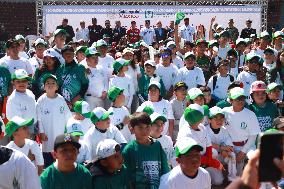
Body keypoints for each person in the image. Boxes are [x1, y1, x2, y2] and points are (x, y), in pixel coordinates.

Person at [177, 104, 223, 184]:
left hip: (203, 160)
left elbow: (208, 145)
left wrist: (209, 161)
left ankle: (205, 173)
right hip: (189, 163)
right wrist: (214, 163)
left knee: (218, 181)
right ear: (200, 118)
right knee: (198, 182)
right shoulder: (186, 133)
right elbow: (191, 156)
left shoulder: (202, 127)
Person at [122, 112, 170, 189]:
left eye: (147, 126)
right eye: (140, 127)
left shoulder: (157, 145)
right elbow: (127, 178)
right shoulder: (129, 150)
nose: (144, 131)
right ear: (132, 129)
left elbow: (165, 170)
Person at [223, 87, 261, 175]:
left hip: (247, 146)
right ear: (231, 100)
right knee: (233, 175)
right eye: (237, 99)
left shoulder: (250, 114)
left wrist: (243, 151)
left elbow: (253, 136)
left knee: (255, 159)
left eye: (242, 98)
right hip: (230, 147)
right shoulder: (224, 112)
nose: (241, 101)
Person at [37, 74, 71, 167]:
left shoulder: (61, 99)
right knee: (48, 163)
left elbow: (68, 117)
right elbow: (39, 119)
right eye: (47, 83)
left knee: (61, 161)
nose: (50, 85)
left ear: (57, 86)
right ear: (44, 87)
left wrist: (67, 134)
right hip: (47, 137)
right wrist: (42, 133)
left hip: (60, 136)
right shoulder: (40, 101)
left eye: (53, 83)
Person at [207, 106, 237, 183]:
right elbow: (207, 144)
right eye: (215, 118)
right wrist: (221, 148)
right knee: (213, 151)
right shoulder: (204, 129)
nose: (219, 120)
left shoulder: (224, 130)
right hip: (208, 160)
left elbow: (230, 145)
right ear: (209, 120)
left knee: (232, 154)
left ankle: (232, 178)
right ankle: (206, 171)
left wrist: (226, 150)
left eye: (221, 118)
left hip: (220, 156)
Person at [6, 69, 37, 135]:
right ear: (13, 82)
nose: (21, 83)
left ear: (28, 82)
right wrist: (23, 130)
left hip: (33, 125)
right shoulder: (13, 98)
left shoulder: (30, 93)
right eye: (18, 81)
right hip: (21, 128)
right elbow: (13, 118)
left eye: (24, 81)